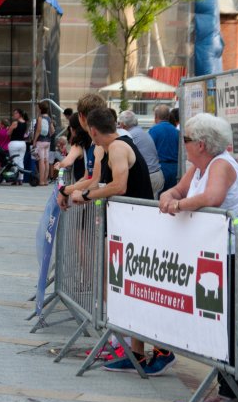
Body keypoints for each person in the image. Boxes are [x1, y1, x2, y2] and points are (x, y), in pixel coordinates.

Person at [159, 113, 238, 402]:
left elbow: (212, 197)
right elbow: (179, 189)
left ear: (201, 144)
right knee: (218, 321)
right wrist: (169, 195)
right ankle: (227, 390)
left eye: (186, 139)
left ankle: (234, 394)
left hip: (233, 254)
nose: (183, 144)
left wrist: (177, 204)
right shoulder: (200, 166)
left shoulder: (221, 164)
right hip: (214, 255)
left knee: (231, 324)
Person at [62, 107, 168, 375]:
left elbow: (119, 186)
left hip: (137, 228)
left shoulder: (119, 148)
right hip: (128, 228)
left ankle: (162, 349)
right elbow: (100, 182)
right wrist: (78, 192)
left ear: (92, 130)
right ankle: (136, 353)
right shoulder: (112, 148)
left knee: (137, 291)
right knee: (128, 291)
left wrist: (87, 196)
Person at [117, 110, 163, 199]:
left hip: (148, 176)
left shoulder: (129, 136)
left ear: (123, 125)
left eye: (119, 123)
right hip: (157, 174)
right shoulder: (141, 131)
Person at [150, 104, 180, 193]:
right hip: (176, 169)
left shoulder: (153, 130)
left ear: (156, 116)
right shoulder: (177, 131)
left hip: (160, 168)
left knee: (160, 196)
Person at [32, 101, 54, 186]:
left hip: (40, 141)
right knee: (46, 161)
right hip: (47, 141)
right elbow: (53, 130)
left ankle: (41, 181)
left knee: (41, 161)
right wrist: (48, 136)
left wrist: (34, 141)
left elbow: (38, 130)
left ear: (40, 109)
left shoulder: (40, 118)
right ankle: (45, 181)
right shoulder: (49, 118)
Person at [7, 109, 28, 184]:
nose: (14, 115)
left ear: (19, 114)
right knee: (21, 161)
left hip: (14, 143)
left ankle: (15, 179)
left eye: (15, 113)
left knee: (14, 161)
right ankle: (21, 179)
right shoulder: (25, 123)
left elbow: (8, 133)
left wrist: (9, 129)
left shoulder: (15, 123)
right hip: (22, 143)